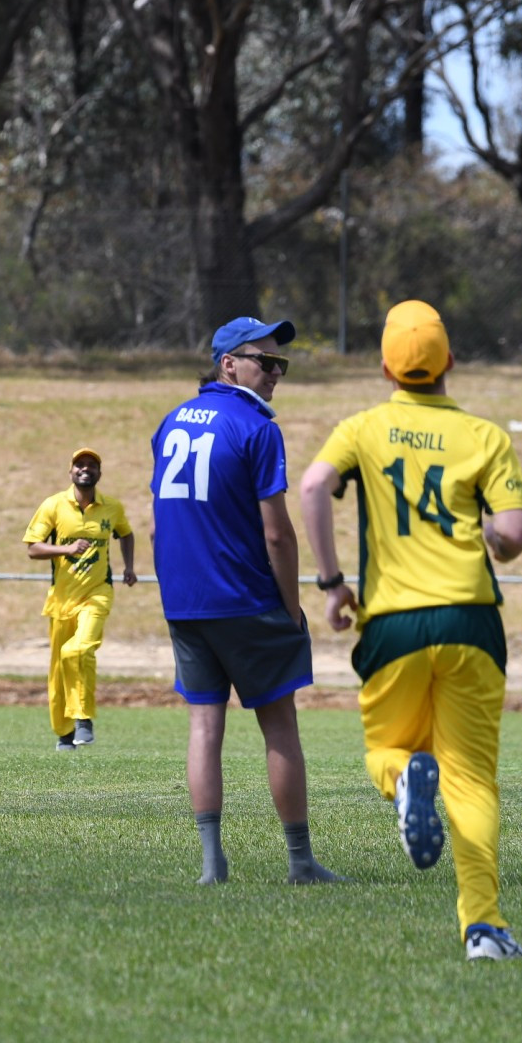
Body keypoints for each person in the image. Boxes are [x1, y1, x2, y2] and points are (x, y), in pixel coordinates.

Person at [299, 300, 522, 960]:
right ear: (450, 363)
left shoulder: (363, 428)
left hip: (392, 623)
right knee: (472, 779)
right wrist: (496, 536)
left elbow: (314, 486)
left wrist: (331, 582)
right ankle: (484, 927)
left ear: (385, 368)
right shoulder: (485, 436)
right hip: (469, 618)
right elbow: (513, 532)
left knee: (386, 750)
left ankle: (403, 778)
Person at [150, 317, 341, 885]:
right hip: (246, 598)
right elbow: (277, 534)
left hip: (186, 602)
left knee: (204, 725)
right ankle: (300, 862)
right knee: (279, 725)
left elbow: (161, 527)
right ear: (228, 364)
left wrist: (174, 594)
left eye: (282, 363)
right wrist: (291, 607)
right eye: (266, 361)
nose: (277, 373)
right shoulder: (257, 427)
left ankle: (212, 864)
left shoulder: (170, 422)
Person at [23, 448, 137, 748]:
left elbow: (126, 533)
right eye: (79, 465)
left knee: (79, 650)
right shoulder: (53, 505)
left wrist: (129, 568)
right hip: (61, 601)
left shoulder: (111, 507)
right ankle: (64, 734)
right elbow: (33, 548)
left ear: (100, 472)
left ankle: (83, 717)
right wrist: (66, 549)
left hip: (97, 593)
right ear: (70, 471)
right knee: (60, 667)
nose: (85, 469)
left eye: (92, 465)